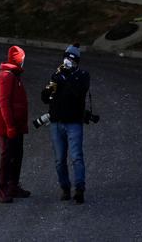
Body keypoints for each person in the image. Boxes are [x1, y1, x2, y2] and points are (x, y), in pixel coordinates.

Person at [40, 44, 91, 204]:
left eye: (70, 58)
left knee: (76, 156)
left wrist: (65, 79)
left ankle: (80, 188)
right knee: (59, 159)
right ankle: (65, 187)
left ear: (76, 61)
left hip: (74, 122)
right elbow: (44, 98)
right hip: (56, 122)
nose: (67, 61)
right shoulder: (57, 74)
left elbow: (78, 94)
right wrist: (51, 86)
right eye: (66, 57)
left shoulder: (82, 76)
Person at [0, 45, 31, 203]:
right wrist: (10, 126)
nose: (23, 62)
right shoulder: (7, 76)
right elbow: (3, 102)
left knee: (17, 154)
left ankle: (13, 186)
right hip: (8, 125)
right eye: (22, 59)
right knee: (7, 156)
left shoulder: (13, 75)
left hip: (15, 124)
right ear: (18, 60)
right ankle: (3, 189)